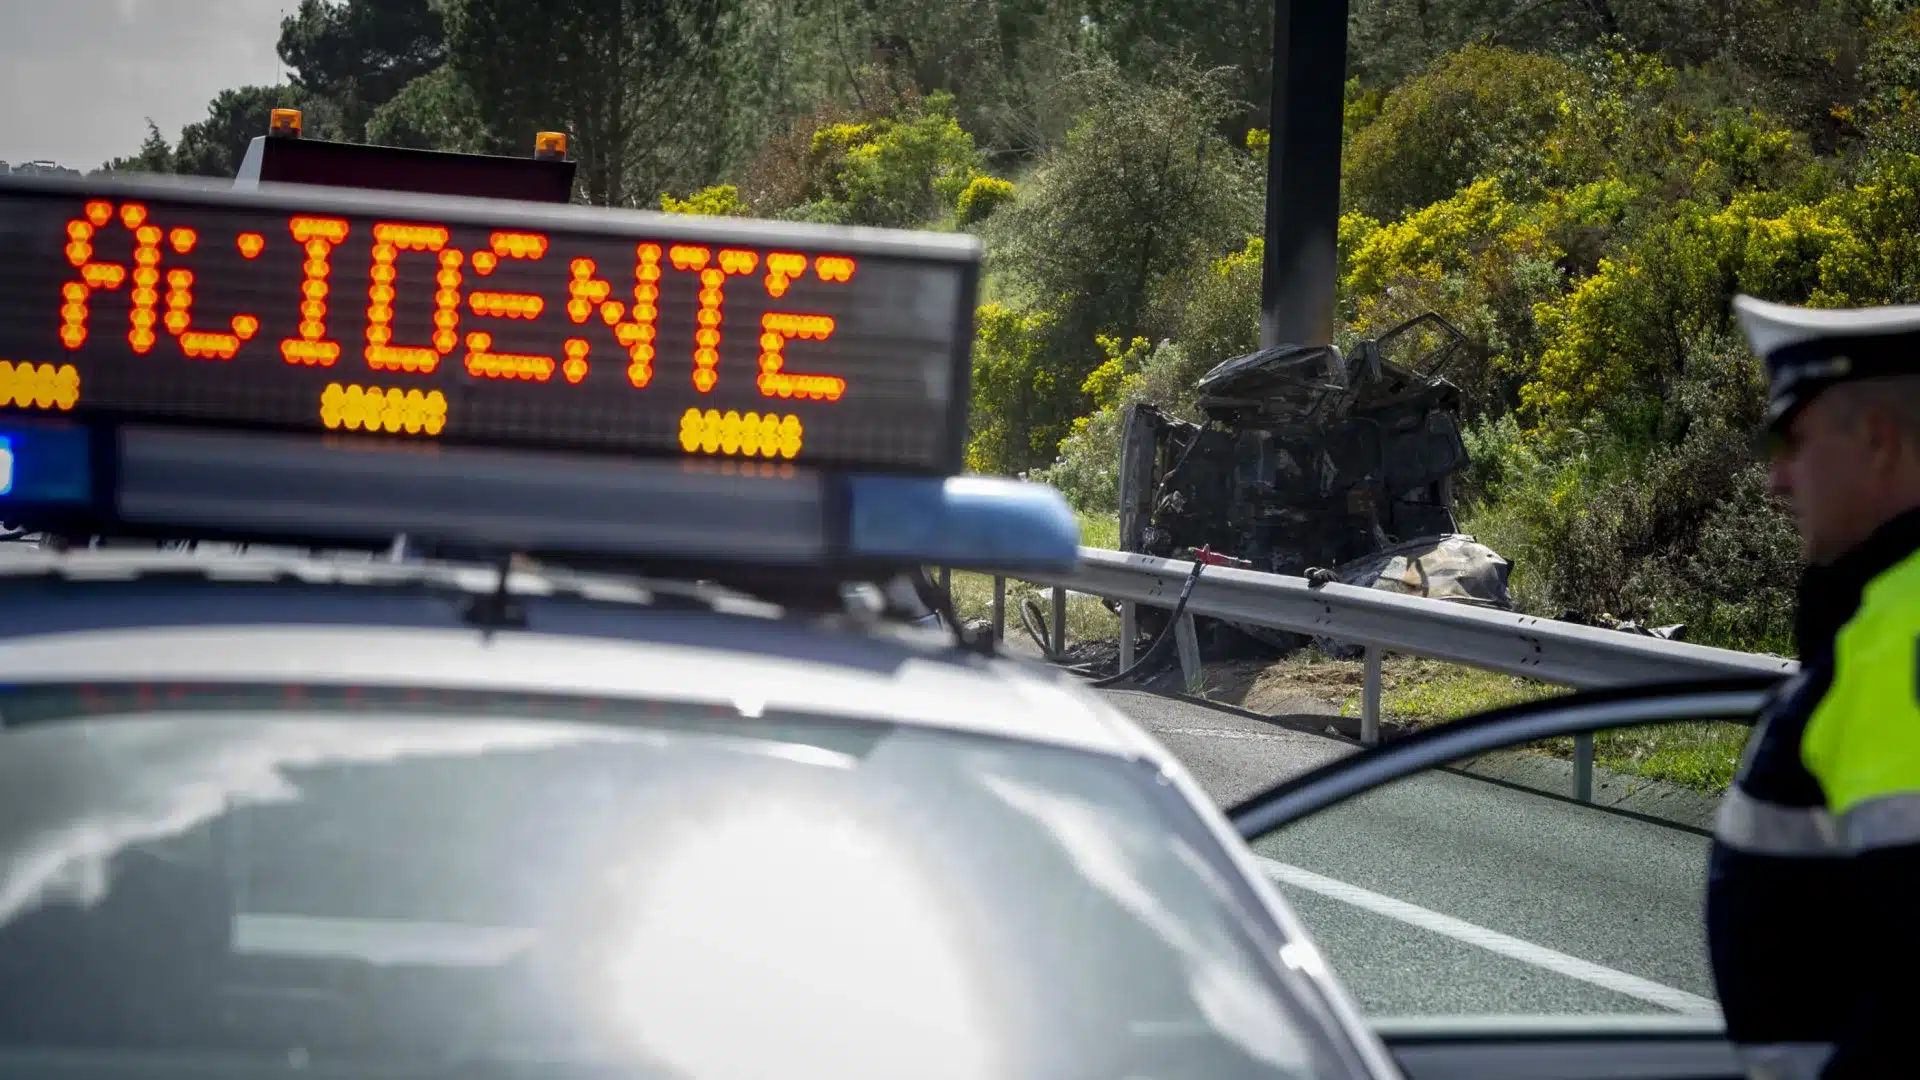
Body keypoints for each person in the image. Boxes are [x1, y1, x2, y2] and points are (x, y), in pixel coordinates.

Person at [1707, 294, 1920, 1080]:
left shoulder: (1903, 642)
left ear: (1875, 441)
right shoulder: (1884, 617)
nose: (1776, 480)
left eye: (1791, 440)